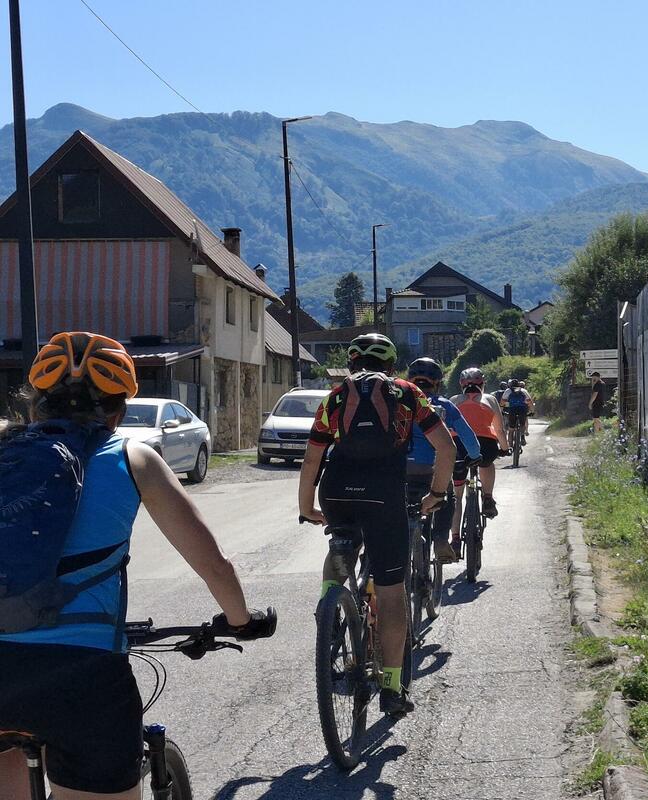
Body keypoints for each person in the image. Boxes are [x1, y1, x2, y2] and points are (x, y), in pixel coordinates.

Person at [0, 331, 274, 800]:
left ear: (34, 407)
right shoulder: (134, 458)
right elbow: (214, 565)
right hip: (82, 678)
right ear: (118, 413)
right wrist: (240, 620)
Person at [298, 333, 454, 718]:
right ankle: (391, 687)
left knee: (341, 545)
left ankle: (329, 607)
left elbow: (312, 459)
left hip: (337, 493)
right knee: (390, 591)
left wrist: (306, 507)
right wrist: (436, 494)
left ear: (351, 364)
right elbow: (446, 447)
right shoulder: (407, 393)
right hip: (384, 496)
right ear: (391, 365)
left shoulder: (335, 397)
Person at [406, 357, 481, 564]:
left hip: (401, 469)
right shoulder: (444, 405)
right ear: (437, 383)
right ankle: (440, 538)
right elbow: (468, 437)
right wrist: (475, 456)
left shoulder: (398, 403)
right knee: (447, 495)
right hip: (430, 469)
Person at [450, 368, 505, 529]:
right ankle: (487, 497)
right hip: (486, 446)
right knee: (487, 463)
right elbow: (499, 429)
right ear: (482, 384)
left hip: (458, 445)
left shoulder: (454, 400)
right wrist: (505, 447)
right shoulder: (490, 399)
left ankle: (455, 538)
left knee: (456, 498)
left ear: (461, 384)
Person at [501, 380, 534, 449]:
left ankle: (510, 446)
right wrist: (532, 411)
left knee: (511, 429)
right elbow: (530, 401)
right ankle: (522, 436)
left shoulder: (508, 391)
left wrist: (501, 410)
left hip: (512, 410)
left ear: (510, 385)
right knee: (522, 424)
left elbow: (502, 402)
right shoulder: (523, 390)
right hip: (522, 410)